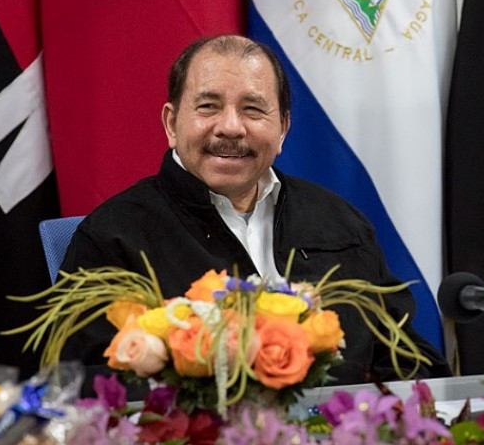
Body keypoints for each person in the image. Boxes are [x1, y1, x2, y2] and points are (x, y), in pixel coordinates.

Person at [60, 35, 448, 383]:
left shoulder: (340, 222)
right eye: (208, 106)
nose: (231, 127)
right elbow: (85, 386)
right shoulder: (113, 236)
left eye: (252, 109)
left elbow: (408, 360)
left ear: (283, 129)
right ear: (172, 124)